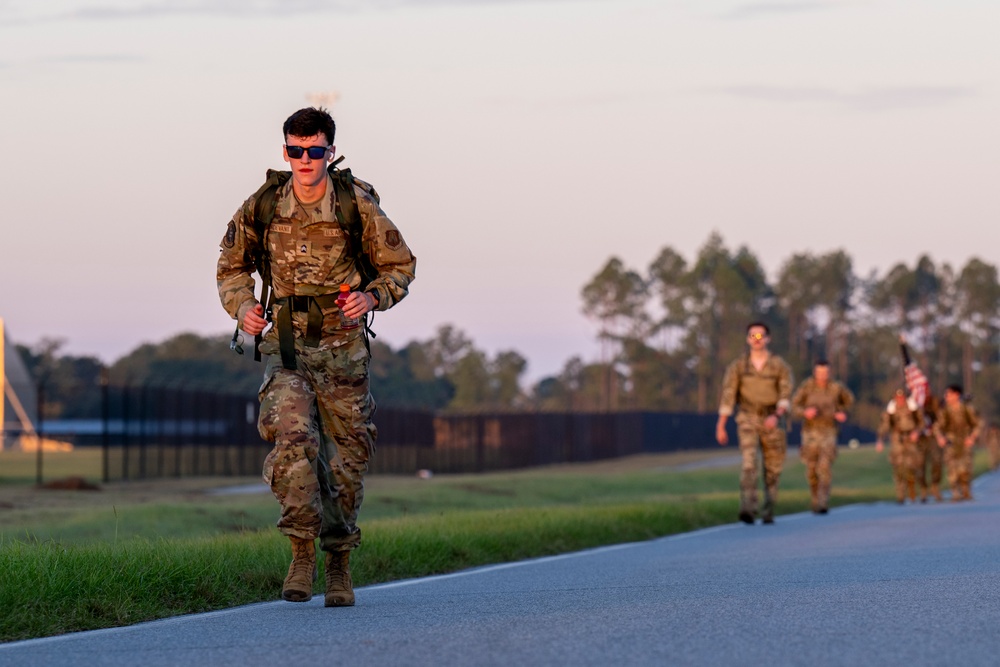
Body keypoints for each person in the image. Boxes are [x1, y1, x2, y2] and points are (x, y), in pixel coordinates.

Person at [217, 107, 416, 606]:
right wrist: (243, 309)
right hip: (287, 347)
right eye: (295, 150)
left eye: (314, 150)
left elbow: (400, 267)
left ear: (330, 152)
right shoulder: (263, 205)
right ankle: (301, 552)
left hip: (343, 352)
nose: (304, 159)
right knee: (292, 437)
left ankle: (339, 561)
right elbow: (231, 267)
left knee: (345, 463)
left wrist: (371, 297)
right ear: (285, 151)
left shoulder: (356, 205)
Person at [716, 322, 793, 525]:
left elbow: (785, 395)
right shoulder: (738, 366)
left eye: (760, 335)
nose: (757, 339)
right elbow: (728, 395)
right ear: (748, 339)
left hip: (772, 419)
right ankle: (748, 508)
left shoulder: (779, 366)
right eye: (753, 335)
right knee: (749, 464)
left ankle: (768, 509)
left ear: (768, 338)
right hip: (747, 418)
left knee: (772, 469)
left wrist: (776, 415)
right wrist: (721, 425)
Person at [790, 359, 854, 514]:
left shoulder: (836, 387)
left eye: (825, 372)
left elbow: (849, 401)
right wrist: (804, 412)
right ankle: (815, 497)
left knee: (824, 467)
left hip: (829, 432)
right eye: (819, 372)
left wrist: (841, 412)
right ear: (815, 372)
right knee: (812, 469)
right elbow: (794, 406)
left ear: (829, 372)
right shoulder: (807, 387)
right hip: (810, 433)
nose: (822, 376)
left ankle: (822, 501)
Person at [933, 385, 982, 501]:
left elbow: (978, 424)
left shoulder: (966, 409)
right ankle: (955, 492)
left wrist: (972, 437)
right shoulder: (944, 411)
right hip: (951, 442)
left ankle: (966, 490)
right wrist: (940, 437)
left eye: (949, 394)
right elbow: (937, 426)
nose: (946, 397)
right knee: (952, 468)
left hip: (965, 441)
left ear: (956, 395)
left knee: (965, 468)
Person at [875, 389, 921, 504]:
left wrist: (917, 432)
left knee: (912, 466)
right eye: (897, 398)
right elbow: (884, 426)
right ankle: (900, 494)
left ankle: (912, 487)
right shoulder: (890, 410)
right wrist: (880, 440)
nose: (900, 400)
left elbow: (921, 422)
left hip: (911, 439)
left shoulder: (913, 408)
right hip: (897, 440)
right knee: (898, 467)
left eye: (902, 397)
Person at [914, 393, 944, 502]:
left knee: (937, 462)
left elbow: (941, 417)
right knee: (919, 465)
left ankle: (935, 486)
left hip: (933, 437)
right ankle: (923, 489)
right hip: (920, 439)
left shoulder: (935, 403)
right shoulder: (914, 403)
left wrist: (937, 432)